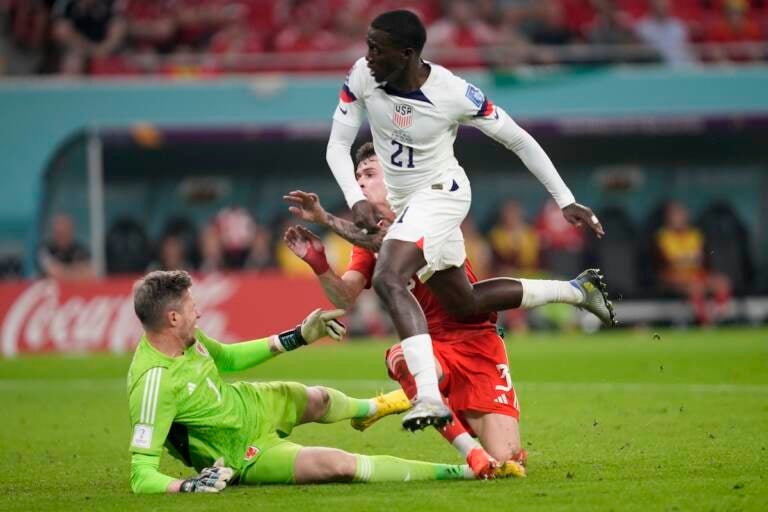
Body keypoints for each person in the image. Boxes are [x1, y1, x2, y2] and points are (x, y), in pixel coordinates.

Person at [324, 10, 614, 431]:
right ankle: (576, 291)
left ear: (407, 53)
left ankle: (427, 397)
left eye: (376, 49)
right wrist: (355, 198)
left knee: (388, 276)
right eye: (367, 46)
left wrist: (565, 199)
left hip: (444, 193)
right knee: (466, 303)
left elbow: (518, 138)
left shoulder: (454, 93)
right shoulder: (362, 75)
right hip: (408, 204)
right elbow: (337, 144)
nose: (366, 56)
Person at [284, 142, 611, 474]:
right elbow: (345, 297)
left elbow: (389, 243)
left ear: (395, 175)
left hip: (476, 339)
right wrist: (319, 264)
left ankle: (397, 400)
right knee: (402, 357)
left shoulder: (427, 207)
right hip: (428, 343)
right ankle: (471, 454)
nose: (361, 184)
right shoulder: (365, 239)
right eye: (357, 178)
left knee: (510, 460)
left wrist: (325, 218)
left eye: (369, 174)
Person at [127, 270, 522, 495]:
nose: (199, 311)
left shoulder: (189, 339)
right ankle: (466, 472)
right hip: (242, 452)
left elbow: (227, 357)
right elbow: (141, 475)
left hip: (252, 403)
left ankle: (375, 407)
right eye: (192, 307)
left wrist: (299, 335)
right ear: (173, 319)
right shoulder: (153, 382)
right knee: (338, 465)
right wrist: (187, 486)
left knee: (315, 398)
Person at [655, 201, 731, 325]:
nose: (678, 218)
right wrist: (687, 261)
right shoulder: (663, 236)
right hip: (672, 277)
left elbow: (702, 260)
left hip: (696, 275)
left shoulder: (695, 235)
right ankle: (704, 322)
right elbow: (667, 264)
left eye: (681, 214)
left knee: (722, 282)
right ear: (668, 218)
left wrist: (689, 261)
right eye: (675, 215)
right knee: (696, 287)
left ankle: (718, 316)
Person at [38, 213, 94, 279]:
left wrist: (62, 270)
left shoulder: (80, 250)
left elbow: (89, 273)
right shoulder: (45, 249)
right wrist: (75, 270)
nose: (62, 236)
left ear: (70, 231)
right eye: (59, 233)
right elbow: (52, 272)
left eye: (64, 232)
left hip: (75, 288)